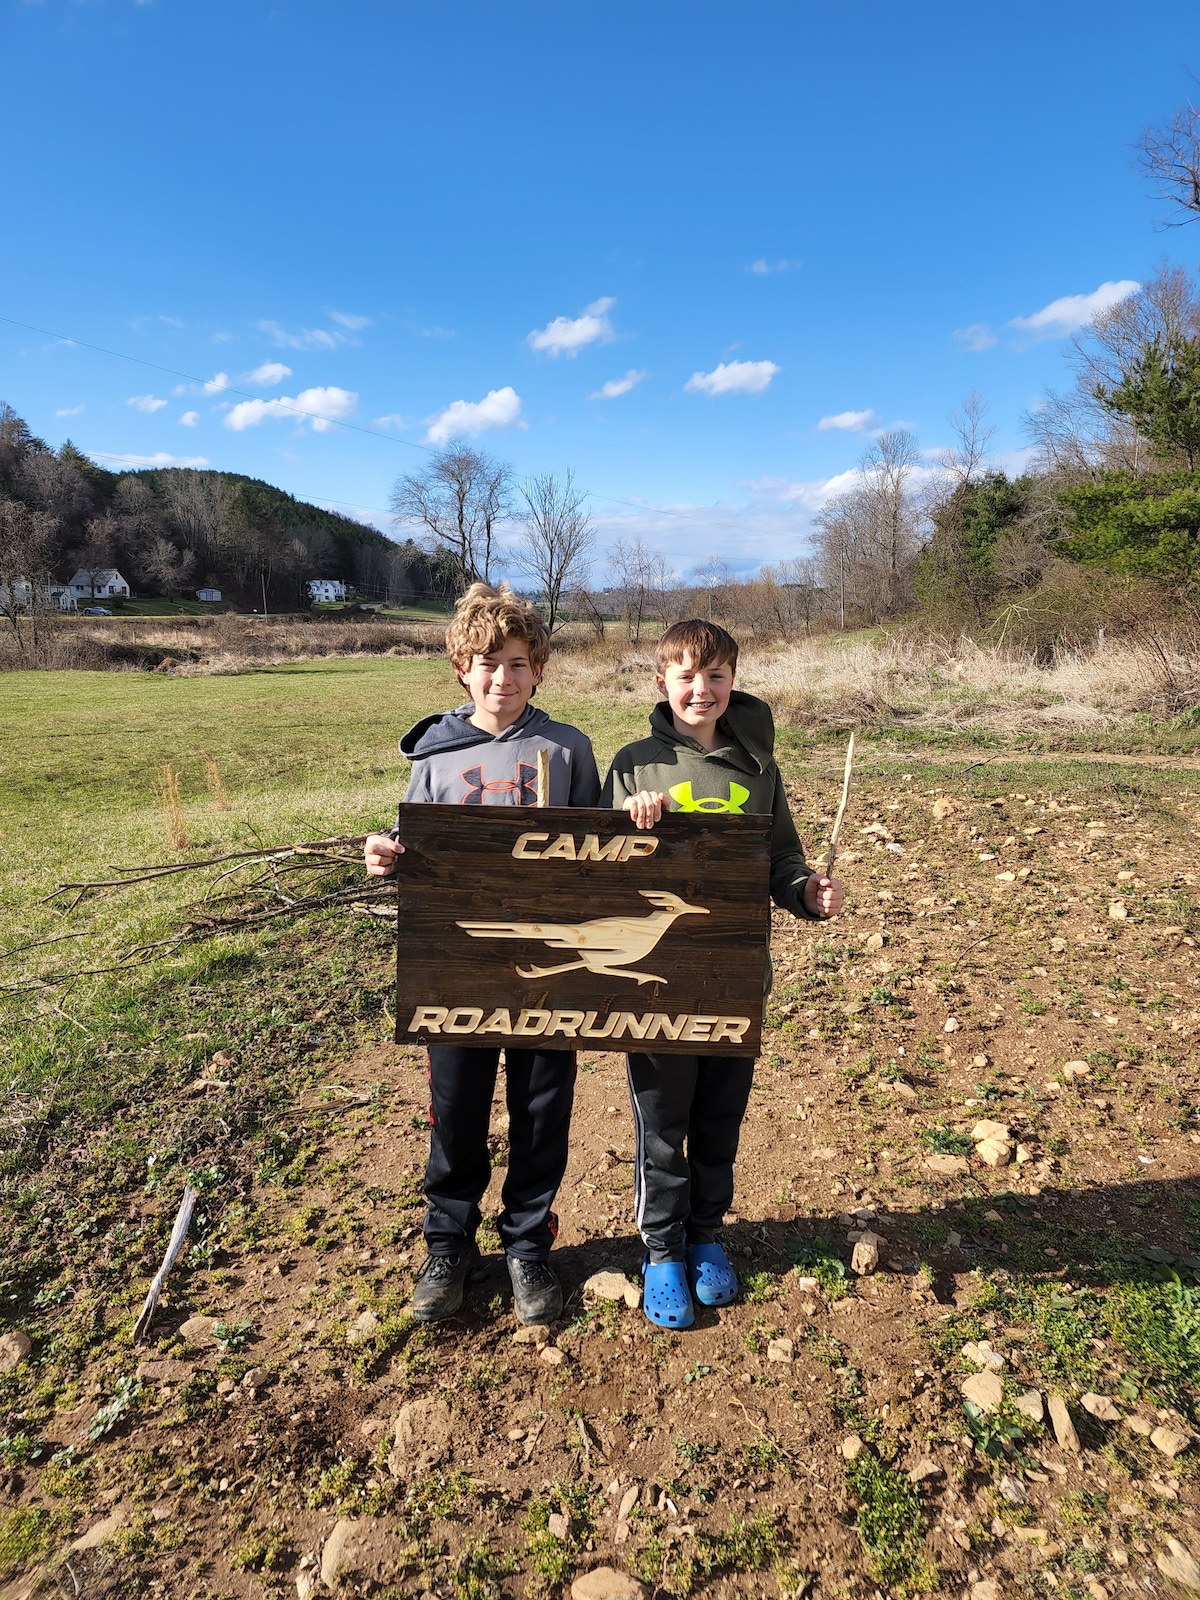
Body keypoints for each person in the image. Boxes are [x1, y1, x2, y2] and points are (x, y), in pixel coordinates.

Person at [364, 582, 600, 1325]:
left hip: (549, 966)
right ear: (462, 668)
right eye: (489, 662)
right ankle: (449, 1244)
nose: (504, 676)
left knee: (540, 1110)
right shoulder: (436, 756)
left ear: (541, 670)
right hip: (459, 967)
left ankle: (529, 1243)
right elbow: (419, 849)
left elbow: (605, 854)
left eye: (519, 662)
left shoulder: (567, 749)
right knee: (456, 1110)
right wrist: (388, 857)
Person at [601, 618, 844, 1329]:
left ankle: (707, 1234)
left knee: (719, 1119)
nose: (701, 690)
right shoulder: (634, 764)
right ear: (661, 684)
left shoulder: (758, 768)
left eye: (716, 677)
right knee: (661, 1122)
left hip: (735, 979)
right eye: (686, 677)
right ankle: (661, 1252)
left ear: (733, 681)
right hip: (654, 984)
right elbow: (590, 865)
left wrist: (807, 894)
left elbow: (783, 860)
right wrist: (629, 820)